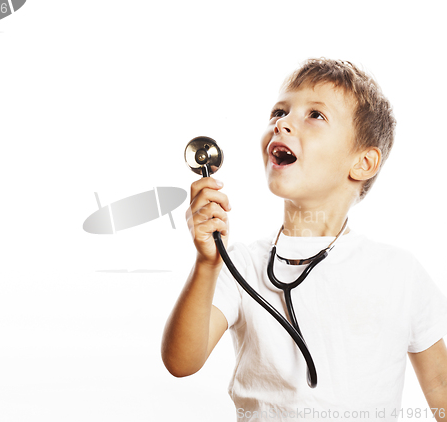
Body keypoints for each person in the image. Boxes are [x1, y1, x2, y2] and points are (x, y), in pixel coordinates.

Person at [161, 58, 447, 421]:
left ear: (363, 162)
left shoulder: (399, 273)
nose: (282, 122)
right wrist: (206, 264)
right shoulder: (239, 265)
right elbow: (181, 362)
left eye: (315, 115)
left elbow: (441, 389)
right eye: (279, 111)